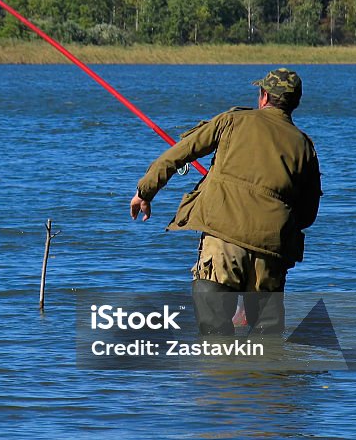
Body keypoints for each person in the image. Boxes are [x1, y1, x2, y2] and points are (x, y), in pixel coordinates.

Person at [129, 68, 322, 334]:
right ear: (295, 102)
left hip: (223, 240)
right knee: (267, 339)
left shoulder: (232, 120)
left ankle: (221, 374)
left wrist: (144, 192)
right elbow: (308, 213)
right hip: (272, 250)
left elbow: (177, 155)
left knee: (214, 332)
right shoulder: (304, 146)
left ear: (264, 96)